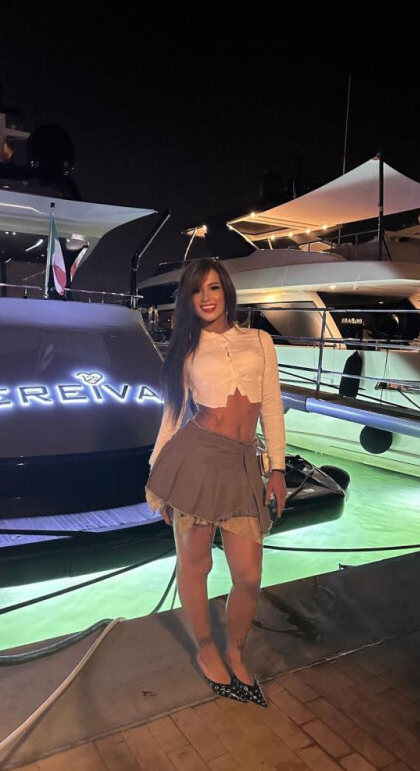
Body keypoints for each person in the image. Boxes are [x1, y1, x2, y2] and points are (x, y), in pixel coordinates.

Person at [145, 258, 287, 706]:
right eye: (196, 291)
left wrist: (278, 469)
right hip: (197, 460)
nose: (206, 298)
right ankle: (207, 650)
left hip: (243, 464)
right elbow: (172, 415)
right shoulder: (186, 350)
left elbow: (272, 405)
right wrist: (157, 475)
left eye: (213, 288)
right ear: (188, 300)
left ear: (226, 291)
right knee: (196, 564)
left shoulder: (260, 340)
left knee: (248, 575)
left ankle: (235, 651)